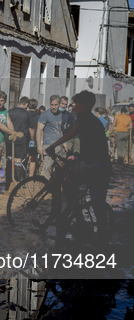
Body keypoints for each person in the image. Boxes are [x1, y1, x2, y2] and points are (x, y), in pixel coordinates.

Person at [45, 90, 112, 240]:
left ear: (82, 105)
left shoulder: (84, 117)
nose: (74, 107)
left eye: (75, 104)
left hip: (93, 165)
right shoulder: (94, 120)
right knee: (98, 201)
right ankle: (102, 235)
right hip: (103, 165)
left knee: (68, 185)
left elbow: (71, 133)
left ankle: (80, 220)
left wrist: (52, 146)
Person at [37, 95, 65, 179]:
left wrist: (64, 143)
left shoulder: (61, 115)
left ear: (59, 104)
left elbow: (60, 130)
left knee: (59, 171)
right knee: (47, 170)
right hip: (48, 146)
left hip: (59, 147)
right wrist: (39, 145)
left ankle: (54, 190)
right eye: (52, 105)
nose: (54, 107)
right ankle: (42, 188)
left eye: (56, 105)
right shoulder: (45, 115)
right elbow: (39, 130)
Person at [6, 96, 31, 182]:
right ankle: (16, 180)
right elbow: (30, 127)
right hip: (21, 140)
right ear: (27, 104)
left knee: (9, 159)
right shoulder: (27, 113)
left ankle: (8, 180)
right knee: (18, 161)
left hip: (9, 139)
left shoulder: (10, 111)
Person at [27, 98, 41, 176]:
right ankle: (30, 177)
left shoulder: (25, 114)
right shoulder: (39, 117)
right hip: (35, 140)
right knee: (33, 158)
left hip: (25, 139)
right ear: (37, 106)